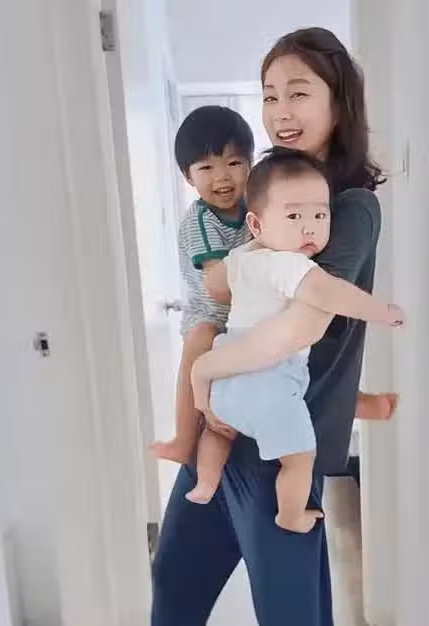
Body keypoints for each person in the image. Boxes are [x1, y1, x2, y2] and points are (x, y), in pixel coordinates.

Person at [151, 27, 391, 625]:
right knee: (174, 586)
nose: (281, 112)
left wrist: (205, 369)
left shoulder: (348, 208)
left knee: (291, 614)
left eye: (299, 93)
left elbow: (301, 327)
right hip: (221, 432)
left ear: (339, 103)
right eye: (269, 96)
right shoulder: (261, 199)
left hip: (277, 450)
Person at [186, 147, 404, 533]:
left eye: (320, 215)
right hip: (270, 384)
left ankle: (206, 482)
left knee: (217, 430)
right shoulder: (289, 264)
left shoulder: (243, 258)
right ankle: (290, 515)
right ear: (256, 224)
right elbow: (328, 293)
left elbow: (216, 284)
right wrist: (382, 311)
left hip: (226, 377)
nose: (309, 228)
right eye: (294, 216)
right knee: (299, 458)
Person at [149, 105, 254, 465]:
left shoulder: (256, 205)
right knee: (200, 341)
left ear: (251, 164)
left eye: (234, 163)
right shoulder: (201, 222)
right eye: (207, 168)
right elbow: (218, 287)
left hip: (246, 314)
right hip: (211, 313)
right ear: (188, 176)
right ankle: (183, 438)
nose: (222, 176)